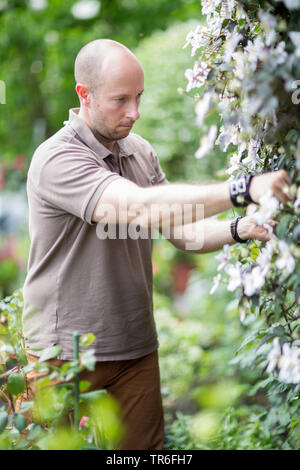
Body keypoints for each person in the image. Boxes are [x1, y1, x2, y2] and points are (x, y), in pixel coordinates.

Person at [19, 39, 291, 450]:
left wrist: (240, 227)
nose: (135, 112)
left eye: (139, 97)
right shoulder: (56, 159)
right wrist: (243, 188)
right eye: (120, 100)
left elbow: (182, 231)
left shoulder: (140, 152)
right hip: (64, 351)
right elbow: (138, 210)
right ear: (84, 95)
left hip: (133, 344)